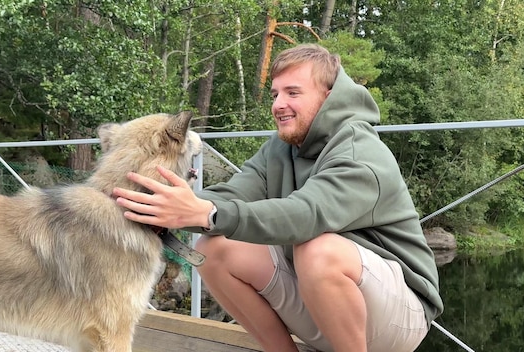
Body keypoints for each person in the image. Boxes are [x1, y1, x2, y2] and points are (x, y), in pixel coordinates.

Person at [112, 43, 443, 352]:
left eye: (293, 93)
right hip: (322, 304)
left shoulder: (360, 151)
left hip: (400, 317)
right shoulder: (281, 147)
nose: (278, 104)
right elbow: (236, 192)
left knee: (317, 248)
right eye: (275, 93)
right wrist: (167, 208)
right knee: (215, 249)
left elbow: (306, 215)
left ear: (330, 96)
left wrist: (208, 214)